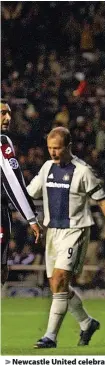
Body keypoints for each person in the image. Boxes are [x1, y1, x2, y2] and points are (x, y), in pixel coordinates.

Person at [27, 126, 105, 348]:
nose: (53, 153)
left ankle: (50, 337)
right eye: (50, 148)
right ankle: (86, 323)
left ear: (69, 147)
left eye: (58, 148)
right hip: (52, 232)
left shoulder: (83, 171)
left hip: (76, 231)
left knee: (61, 279)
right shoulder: (46, 168)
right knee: (56, 284)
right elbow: (29, 194)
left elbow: (103, 203)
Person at [0, 99, 40, 285]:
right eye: (2, 113)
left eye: (8, 113)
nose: (7, 117)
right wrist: (31, 217)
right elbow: (13, 181)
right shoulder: (2, 142)